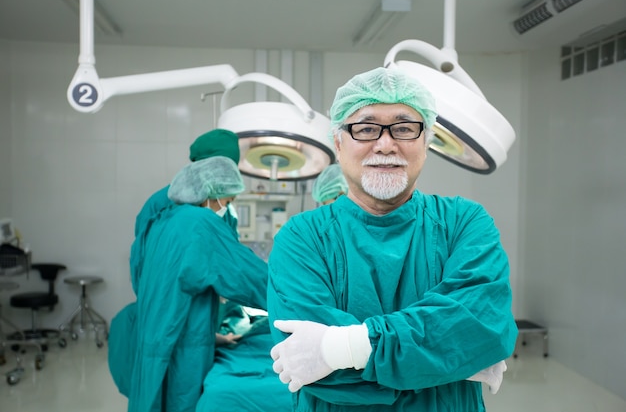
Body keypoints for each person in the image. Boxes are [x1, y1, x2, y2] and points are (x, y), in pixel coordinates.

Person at [267, 67, 517, 411]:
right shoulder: (302, 237)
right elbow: (312, 371)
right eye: (366, 128)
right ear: (338, 144)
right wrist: (451, 360)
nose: (386, 144)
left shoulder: (465, 223)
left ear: (425, 143)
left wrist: (339, 349)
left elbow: (482, 329)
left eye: (403, 128)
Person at [119, 156, 269, 412]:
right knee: (180, 401)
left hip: (156, 337)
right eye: (228, 202)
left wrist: (214, 336)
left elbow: (174, 290)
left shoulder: (163, 221)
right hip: (182, 346)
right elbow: (248, 275)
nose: (226, 209)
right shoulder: (199, 224)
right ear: (211, 192)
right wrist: (295, 294)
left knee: (154, 399)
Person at [134, 128, 241, 238]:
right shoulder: (159, 205)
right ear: (203, 167)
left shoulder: (226, 212)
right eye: (223, 172)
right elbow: (143, 250)